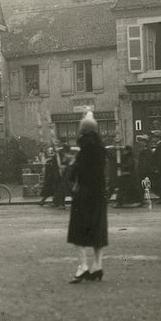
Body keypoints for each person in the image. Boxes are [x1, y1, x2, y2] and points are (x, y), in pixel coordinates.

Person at [67, 112, 108, 283]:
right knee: (98, 231)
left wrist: (72, 164)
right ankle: (97, 266)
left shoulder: (83, 150)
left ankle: (83, 266)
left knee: (78, 231)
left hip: (83, 195)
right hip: (99, 195)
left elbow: (75, 174)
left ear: (82, 131)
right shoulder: (101, 150)